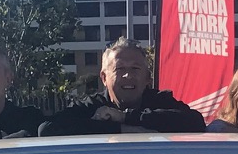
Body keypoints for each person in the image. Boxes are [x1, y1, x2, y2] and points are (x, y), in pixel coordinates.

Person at [38, 40, 207, 136]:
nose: (128, 76)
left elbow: (195, 122)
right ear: (104, 78)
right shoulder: (92, 106)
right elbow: (47, 129)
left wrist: (126, 117)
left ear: (148, 78)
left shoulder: (160, 101)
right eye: (119, 69)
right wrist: (119, 129)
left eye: (135, 69)